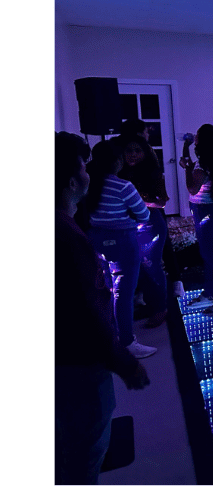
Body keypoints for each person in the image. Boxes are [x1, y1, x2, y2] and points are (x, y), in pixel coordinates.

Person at [55, 132, 150, 484]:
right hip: (79, 367)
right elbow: (87, 312)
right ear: (70, 181)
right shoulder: (66, 238)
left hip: (67, 363)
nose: (87, 173)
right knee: (86, 449)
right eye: (82, 167)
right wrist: (124, 362)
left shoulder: (70, 226)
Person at [83, 139, 157, 359]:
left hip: (95, 238)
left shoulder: (88, 182)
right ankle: (126, 341)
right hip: (123, 241)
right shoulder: (124, 186)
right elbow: (144, 214)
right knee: (123, 293)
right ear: (117, 161)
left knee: (105, 288)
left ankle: (109, 335)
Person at [118, 118, 186, 298]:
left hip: (149, 212)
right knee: (136, 254)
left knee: (157, 250)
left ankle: (168, 288)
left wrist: (137, 198)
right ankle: (144, 290)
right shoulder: (122, 158)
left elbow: (160, 198)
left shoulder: (148, 158)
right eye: (146, 131)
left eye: (136, 151)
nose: (148, 134)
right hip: (130, 217)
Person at [180, 124, 213, 316]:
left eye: (198, 135)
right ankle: (210, 292)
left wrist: (187, 169)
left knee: (212, 256)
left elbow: (192, 188)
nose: (195, 136)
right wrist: (186, 149)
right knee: (207, 253)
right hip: (208, 210)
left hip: (206, 212)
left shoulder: (204, 165)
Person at [118, 133, 170, 328]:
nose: (132, 154)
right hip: (127, 225)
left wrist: (139, 199)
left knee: (152, 266)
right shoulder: (119, 173)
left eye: (137, 151)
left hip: (149, 224)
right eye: (128, 151)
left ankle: (160, 308)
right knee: (136, 266)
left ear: (145, 153)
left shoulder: (153, 172)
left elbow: (162, 202)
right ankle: (147, 303)